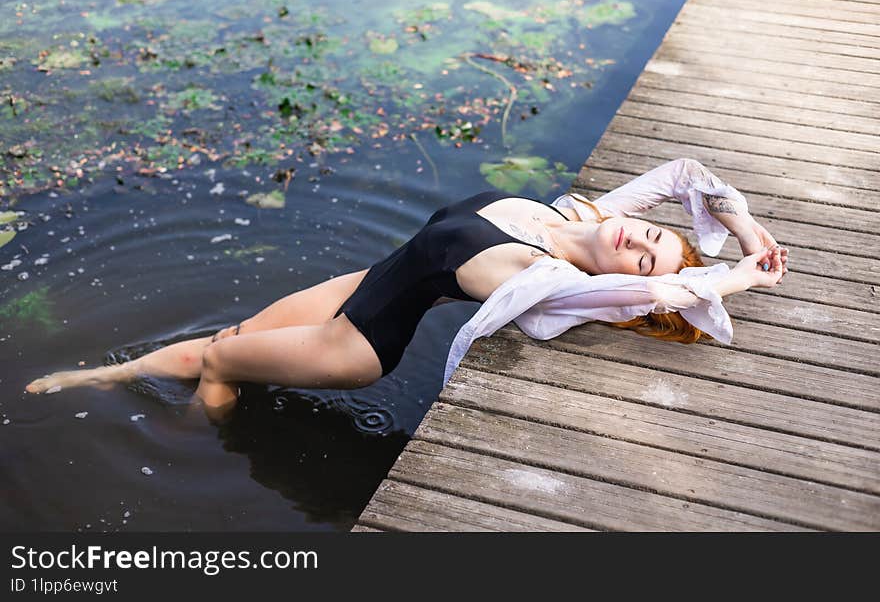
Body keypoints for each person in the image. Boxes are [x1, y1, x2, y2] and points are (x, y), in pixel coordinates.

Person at [25, 157, 788, 420]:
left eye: (646, 258)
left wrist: (728, 282)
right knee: (229, 341)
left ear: (619, 280)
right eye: (653, 235)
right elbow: (688, 175)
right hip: (361, 284)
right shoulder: (579, 215)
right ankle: (110, 375)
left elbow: (655, 296)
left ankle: (189, 441)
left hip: (355, 343)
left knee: (221, 366)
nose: (640, 243)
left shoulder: (549, 274)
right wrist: (750, 235)